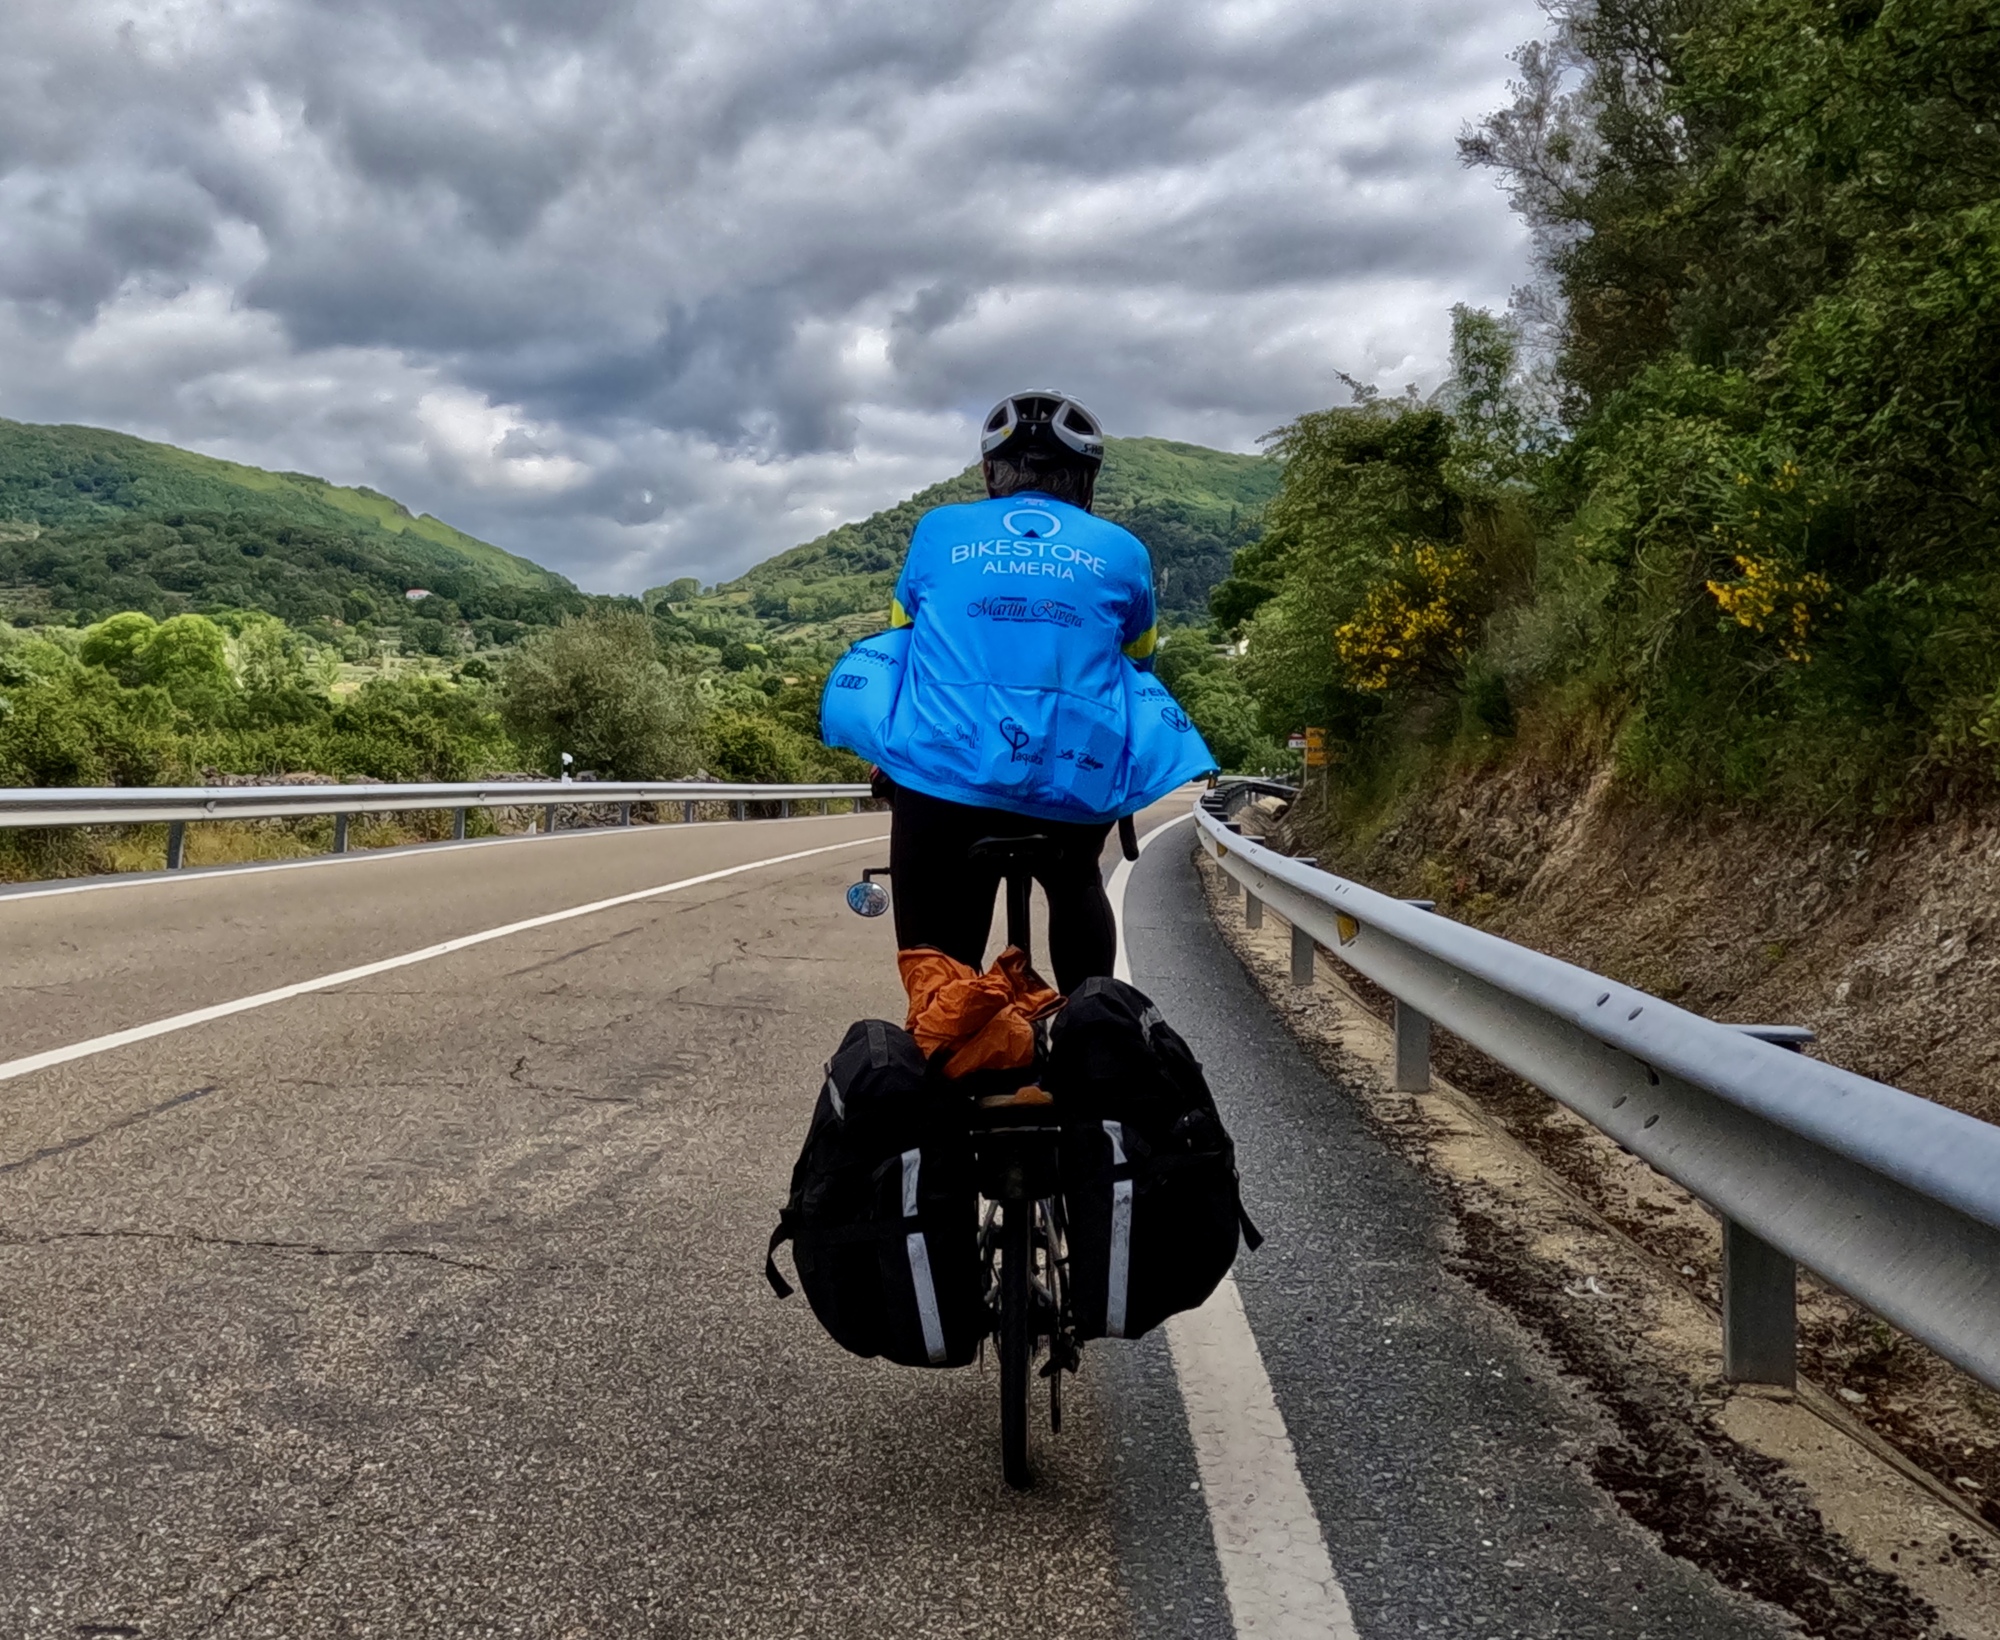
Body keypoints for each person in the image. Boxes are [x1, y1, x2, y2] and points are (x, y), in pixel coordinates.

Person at [820, 390, 1216, 992]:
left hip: (944, 779)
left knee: (941, 961)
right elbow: (1139, 662)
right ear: (1087, 480)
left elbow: (902, 645)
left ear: (989, 471)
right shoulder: (1124, 551)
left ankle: (948, 1022)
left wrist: (886, 759)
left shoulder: (938, 530)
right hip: (1071, 782)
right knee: (1078, 877)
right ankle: (1093, 1018)